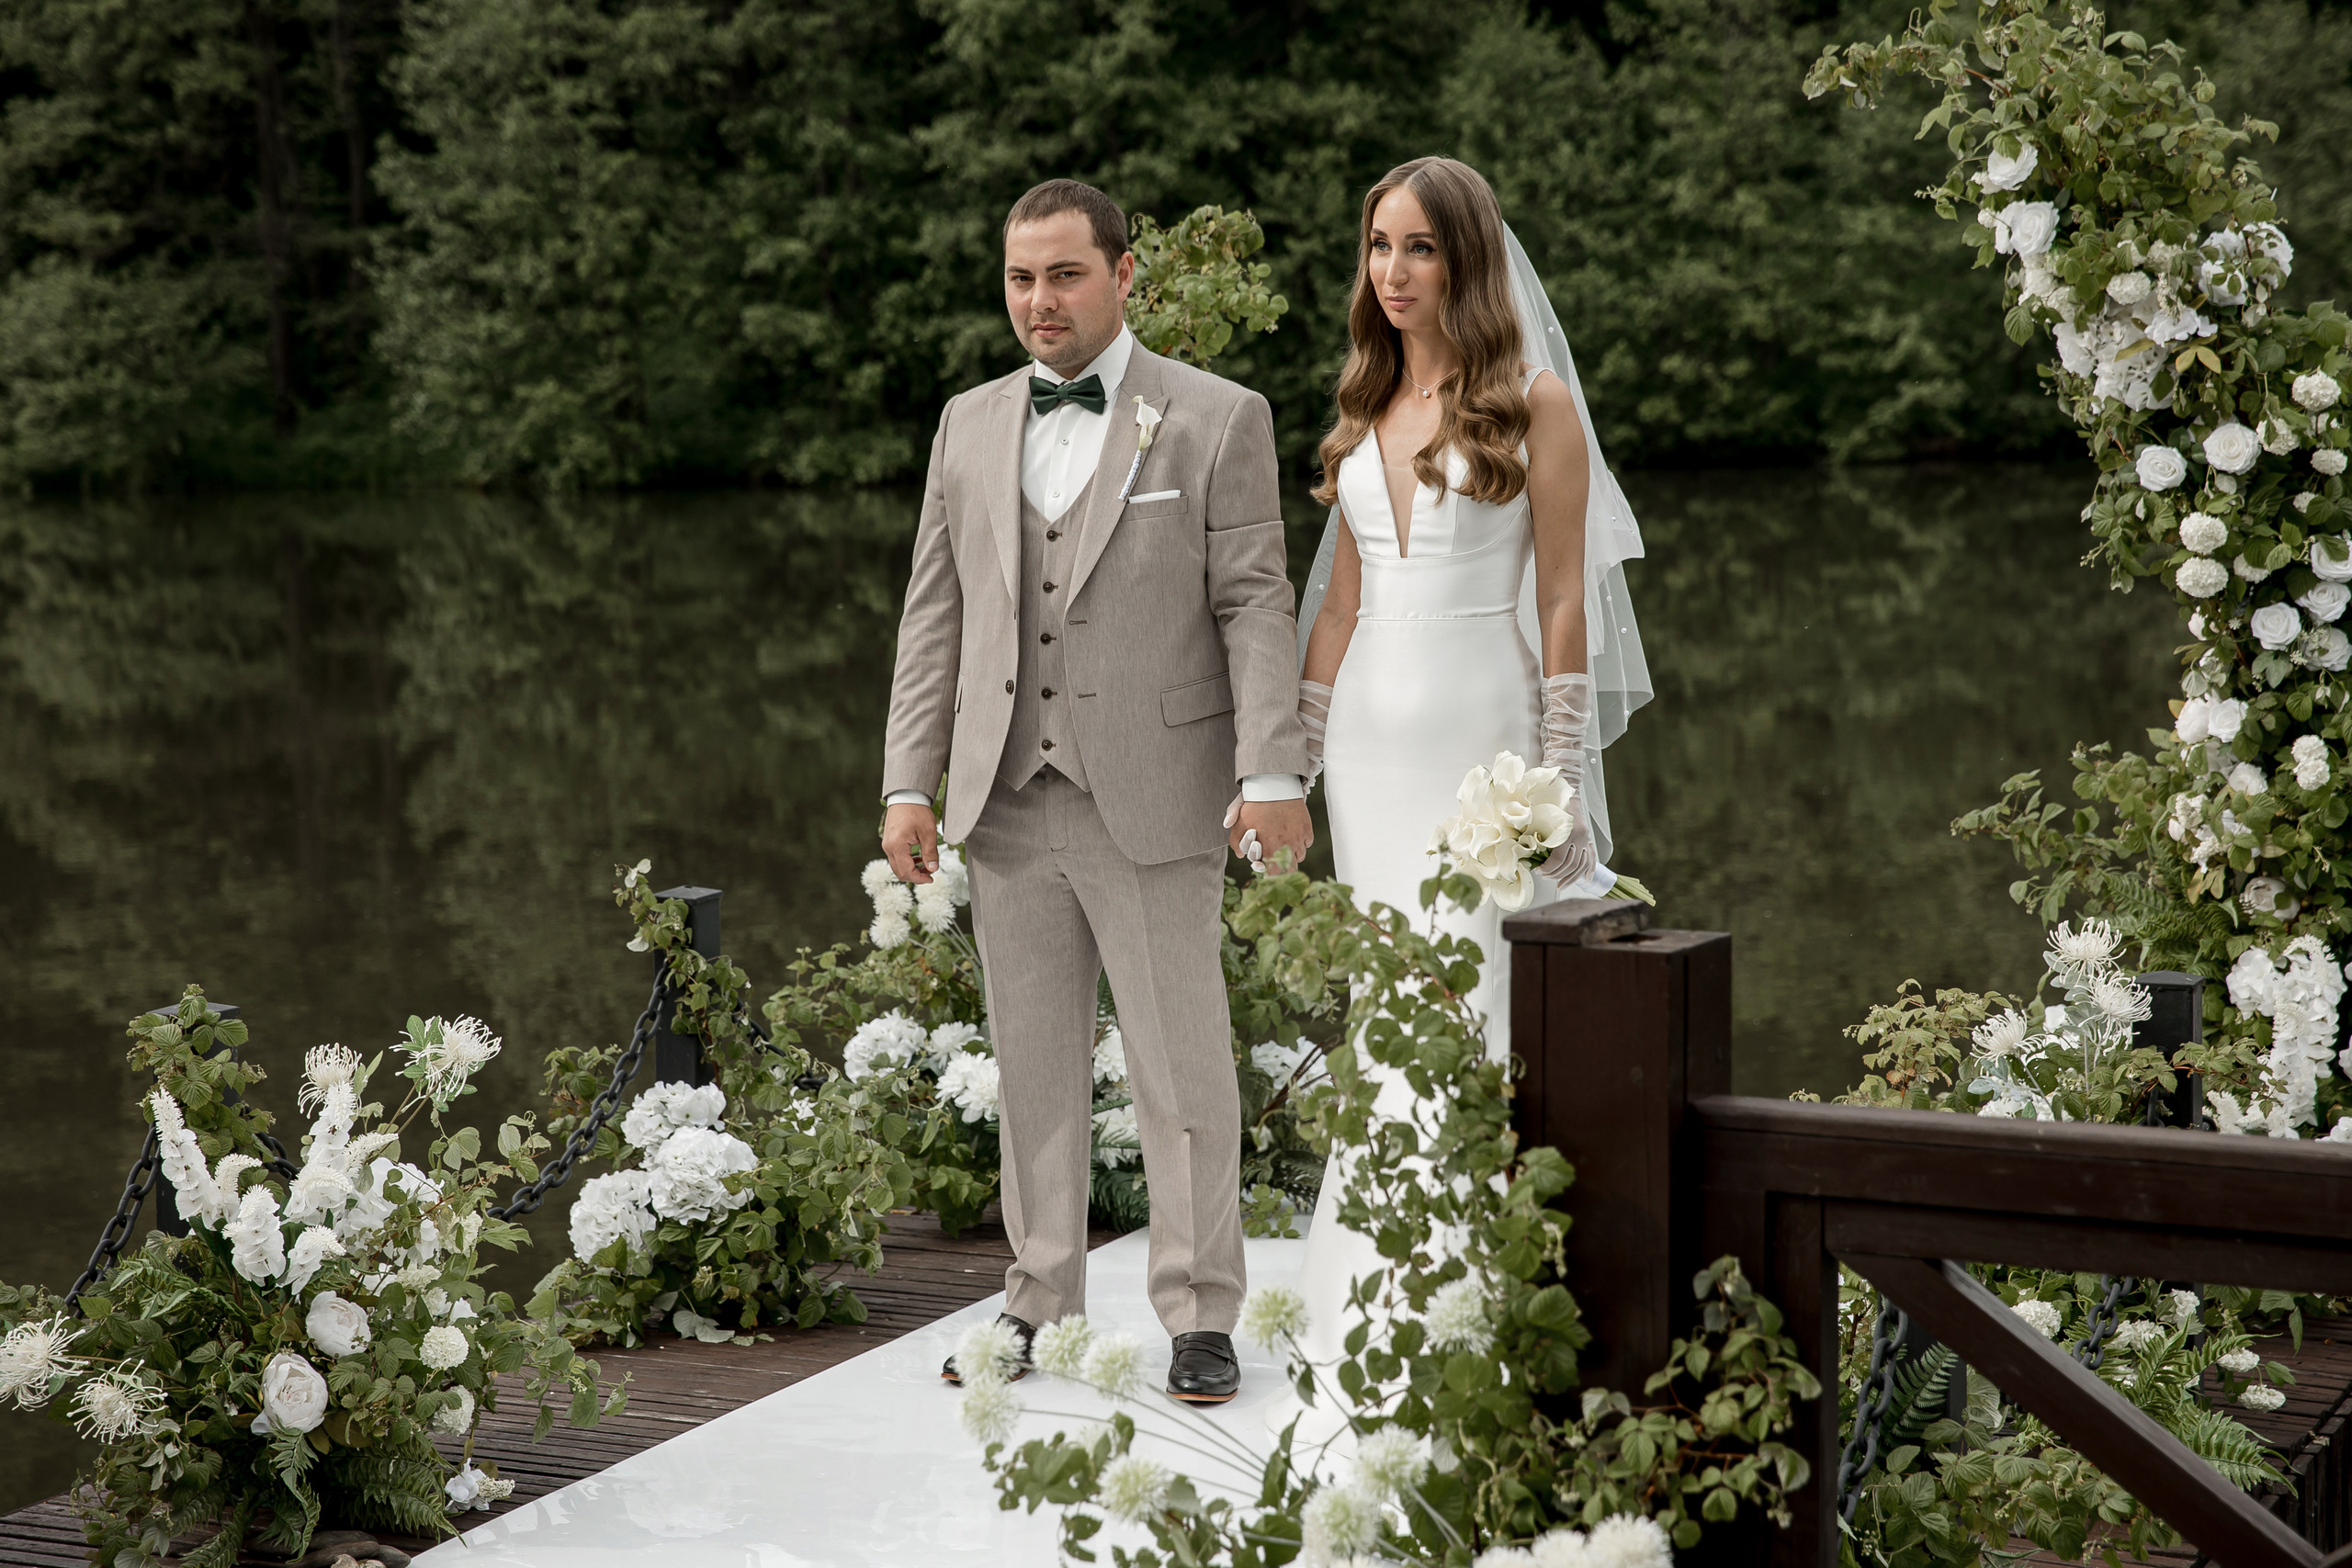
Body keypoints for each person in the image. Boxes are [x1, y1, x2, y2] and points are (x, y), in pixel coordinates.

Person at [878, 178, 1312, 1405]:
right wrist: (909, 781)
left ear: (1126, 277)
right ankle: (1036, 1300)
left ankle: (1199, 1315)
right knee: (1032, 1067)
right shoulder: (967, 424)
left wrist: (1271, 769)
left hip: (1161, 792)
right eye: (1020, 278)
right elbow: (935, 615)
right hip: (1006, 797)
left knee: (1182, 1070)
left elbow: (1253, 602)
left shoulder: (1216, 418)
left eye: (1064, 275)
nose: (1039, 302)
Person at [1278, 156, 1651, 1431]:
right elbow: (1335, 606)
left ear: (1470, 261)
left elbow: (1560, 600)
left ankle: (1485, 1316)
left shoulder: (1532, 403)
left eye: (1421, 249)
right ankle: (1366, 1320)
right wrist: (1288, 765)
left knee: (1478, 1012)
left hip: (1479, 753)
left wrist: (1556, 784)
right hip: (1372, 766)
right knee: (1388, 1017)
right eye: (1379, 247)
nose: (1393, 273)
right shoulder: (1364, 401)